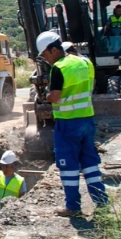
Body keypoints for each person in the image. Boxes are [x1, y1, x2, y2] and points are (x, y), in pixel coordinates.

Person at [36, 31, 108, 217]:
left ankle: (73, 207)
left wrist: (46, 95)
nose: (46, 59)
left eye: (45, 55)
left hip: (68, 124)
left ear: (53, 50)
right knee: (90, 163)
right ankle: (102, 202)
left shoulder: (59, 68)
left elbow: (56, 97)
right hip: (87, 119)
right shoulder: (84, 62)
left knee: (68, 166)